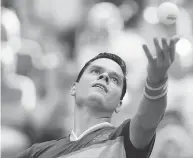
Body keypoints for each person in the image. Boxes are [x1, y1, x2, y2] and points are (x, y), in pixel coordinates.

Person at [17, 37, 178, 158]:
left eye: (115, 79)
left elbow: (147, 121)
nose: (104, 77)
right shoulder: (36, 153)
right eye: (95, 71)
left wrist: (156, 82)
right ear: (74, 87)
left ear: (119, 104)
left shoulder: (123, 140)